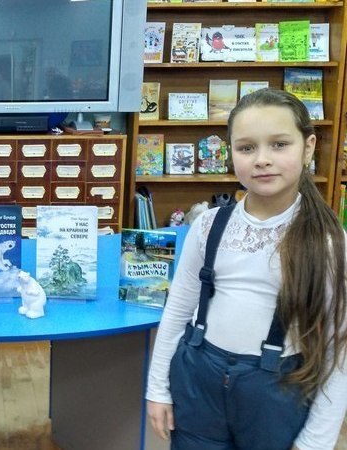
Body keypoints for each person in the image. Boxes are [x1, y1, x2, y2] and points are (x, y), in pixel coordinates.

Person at [146, 88, 347, 450]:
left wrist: (315, 442)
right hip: (198, 379)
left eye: (279, 144)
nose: (262, 160)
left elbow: (338, 350)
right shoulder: (208, 225)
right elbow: (177, 310)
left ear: (309, 147)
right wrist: (157, 388)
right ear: (230, 153)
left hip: (275, 391)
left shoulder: (329, 242)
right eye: (247, 148)